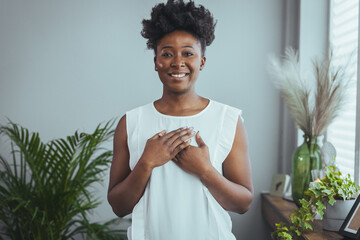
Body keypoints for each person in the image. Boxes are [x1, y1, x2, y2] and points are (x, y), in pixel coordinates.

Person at [107, 1, 253, 239]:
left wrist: (206, 170)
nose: (177, 62)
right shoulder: (131, 122)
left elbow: (243, 203)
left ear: (201, 62)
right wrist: (146, 162)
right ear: (156, 61)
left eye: (188, 53)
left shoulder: (228, 119)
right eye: (167, 54)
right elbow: (119, 206)